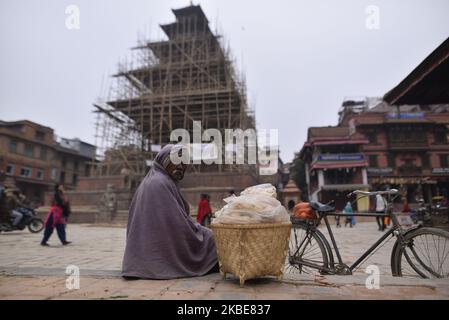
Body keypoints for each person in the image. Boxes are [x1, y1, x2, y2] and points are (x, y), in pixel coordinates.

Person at [122, 144, 218, 280]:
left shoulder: (157, 180)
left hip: (141, 256)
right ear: (164, 161)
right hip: (155, 254)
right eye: (176, 161)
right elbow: (177, 223)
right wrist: (202, 232)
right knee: (212, 239)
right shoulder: (160, 183)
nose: (180, 166)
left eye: (184, 163)